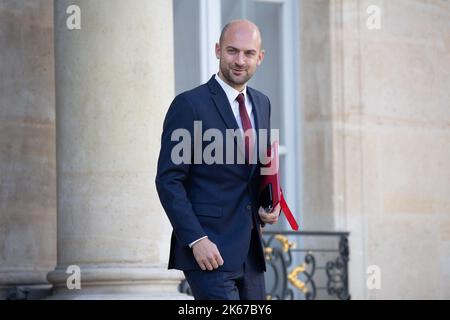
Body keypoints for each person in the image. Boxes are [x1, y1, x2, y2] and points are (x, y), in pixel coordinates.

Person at [155, 19, 280, 300]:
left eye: (248, 53)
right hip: (208, 251)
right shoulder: (189, 105)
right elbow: (168, 180)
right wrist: (196, 240)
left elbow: (254, 171)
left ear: (260, 58)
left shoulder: (262, 103)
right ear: (217, 50)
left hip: (250, 251)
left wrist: (266, 206)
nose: (239, 60)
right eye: (232, 51)